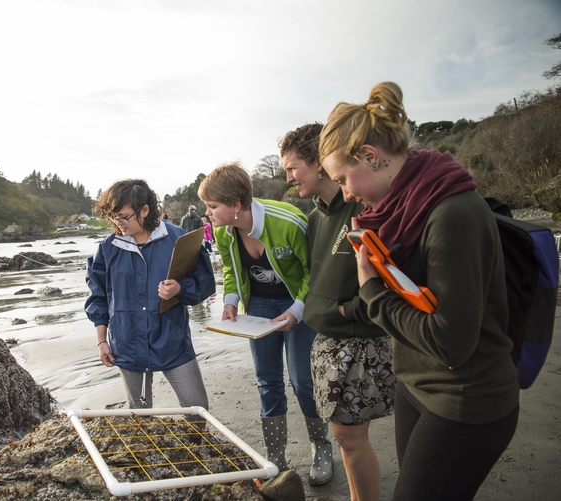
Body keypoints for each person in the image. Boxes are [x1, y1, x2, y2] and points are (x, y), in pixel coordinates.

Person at [318, 82, 519, 501]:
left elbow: (451, 344)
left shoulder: (452, 212)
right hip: (415, 384)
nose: (347, 194)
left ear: (371, 156)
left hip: (465, 398)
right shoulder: (402, 208)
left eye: (343, 179)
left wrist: (371, 289)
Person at [198, 163, 333, 484]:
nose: (207, 213)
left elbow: (316, 271)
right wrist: (230, 302)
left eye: (212, 206)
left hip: (298, 303)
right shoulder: (221, 230)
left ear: (235, 205)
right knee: (267, 381)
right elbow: (231, 271)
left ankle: (322, 447)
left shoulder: (288, 221)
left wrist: (297, 311)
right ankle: (276, 456)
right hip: (257, 305)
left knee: (303, 381)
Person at [282, 123, 396, 500]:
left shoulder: (364, 203)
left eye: (292, 167)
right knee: (343, 436)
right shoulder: (314, 217)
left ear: (317, 163)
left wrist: (348, 310)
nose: (287, 177)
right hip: (326, 342)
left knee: (350, 435)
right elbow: (315, 278)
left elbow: (389, 280)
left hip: (361, 340)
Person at [85, 179, 215, 417]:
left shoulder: (179, 239)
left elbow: (205, 282)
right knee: (140, 415)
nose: (118, 223)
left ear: (145, 210)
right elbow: (98, 296)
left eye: (123, 216)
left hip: (172, 340)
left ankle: (195, 446)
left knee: (198, 409)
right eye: (113, 217)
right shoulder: (108, 247)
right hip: (127, 343)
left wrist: (179, 289)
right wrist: (101, 340)